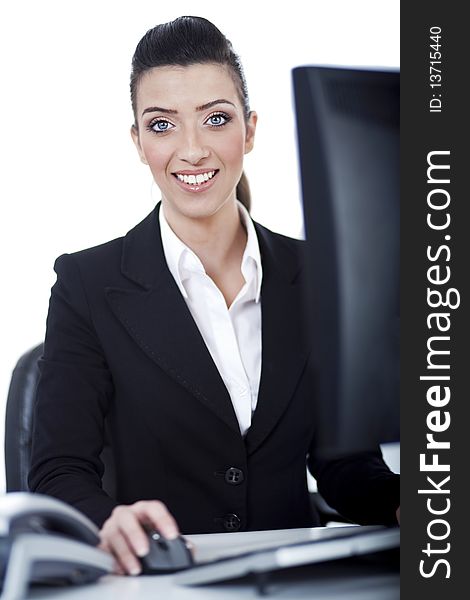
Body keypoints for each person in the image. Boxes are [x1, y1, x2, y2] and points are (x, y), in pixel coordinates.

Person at [29, 16, 400, 576]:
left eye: (216, 119)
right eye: (162, 125)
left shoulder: (314, 273)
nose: (193, 150)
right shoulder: (87, 284)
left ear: (249, 130)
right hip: (161, 583)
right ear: (138, 142)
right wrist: (108, 521)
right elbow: (59, 472)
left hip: (292, 582)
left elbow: (344, 464)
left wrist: (409, 498)